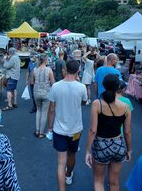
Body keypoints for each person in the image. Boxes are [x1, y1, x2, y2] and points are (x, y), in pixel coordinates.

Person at [86, 74, 132, 191]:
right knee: (114, 182)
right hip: (118, 145)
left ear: (103, 85)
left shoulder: (97, 104)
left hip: (101, 145)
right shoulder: (126, 107)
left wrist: (87, 150)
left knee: (98, 181)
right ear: (118, 87)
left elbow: (93, 130)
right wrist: (129, 149)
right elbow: (127, 132)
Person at [48, 60, 87, 190]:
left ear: (65, 69)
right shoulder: (81, 87)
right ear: (77, 71)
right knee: (72, 154)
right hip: (75, 129)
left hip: (59, 129)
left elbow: (51, 109)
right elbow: (84, 101)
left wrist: (49, 127)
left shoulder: (55, 86)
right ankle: (69, 174)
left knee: (60, 163)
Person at [31, 54, 55, 139]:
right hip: (46, 92)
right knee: (44, 112)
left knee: (38, 110)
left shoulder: (35, 69)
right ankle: (41, 133)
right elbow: (53, 83)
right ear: (45, 60)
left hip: (36, 92)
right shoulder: (49, 70)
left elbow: (32, 82)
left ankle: (37, 130)